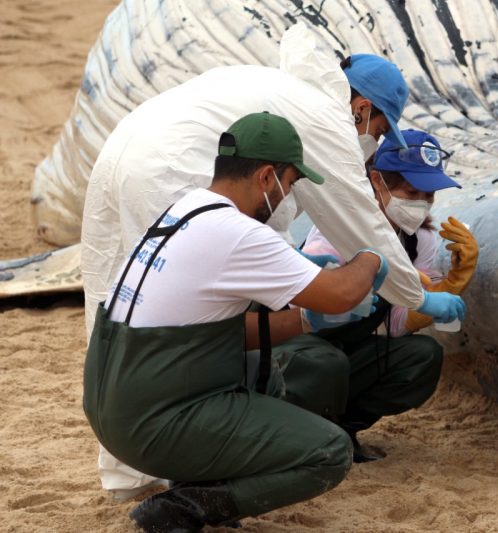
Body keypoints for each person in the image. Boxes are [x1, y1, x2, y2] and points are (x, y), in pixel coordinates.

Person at [81, 22, 466, 498]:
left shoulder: (281, 92)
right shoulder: (324, 118)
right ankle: (205, 448)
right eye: (378, 130)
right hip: (170, 164)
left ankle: (131, 468)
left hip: (123, 146)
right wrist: (407, 289)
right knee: (193, 315)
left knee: (126, 293)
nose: (371, 141)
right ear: (362, 109)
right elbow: (359, 225)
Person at [83, 111, 391, 532]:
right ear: (267, 177)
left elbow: (216, 336)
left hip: (114, 406)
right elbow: (342, 292)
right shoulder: (239, 232)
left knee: (254, 358)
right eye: (289, 183)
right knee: (327, 450)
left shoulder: (184, 210)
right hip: (153, 422)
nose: (287, 196)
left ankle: (199, 477)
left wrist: (304, 320)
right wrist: (370, 257)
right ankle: (185, 507)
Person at [274, 129, 477, 462]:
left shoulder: (418, 240)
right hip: (299, 343)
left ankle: (342, 429)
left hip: (346, 351)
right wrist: (386, 279)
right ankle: (299, 432)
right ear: (378, 183)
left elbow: (396, 323)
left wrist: (450, 283)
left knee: (422, 355)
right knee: (326, 364)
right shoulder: (339, 227)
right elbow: (300, 301)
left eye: (429, 196)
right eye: (411, 191)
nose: (421, 204)